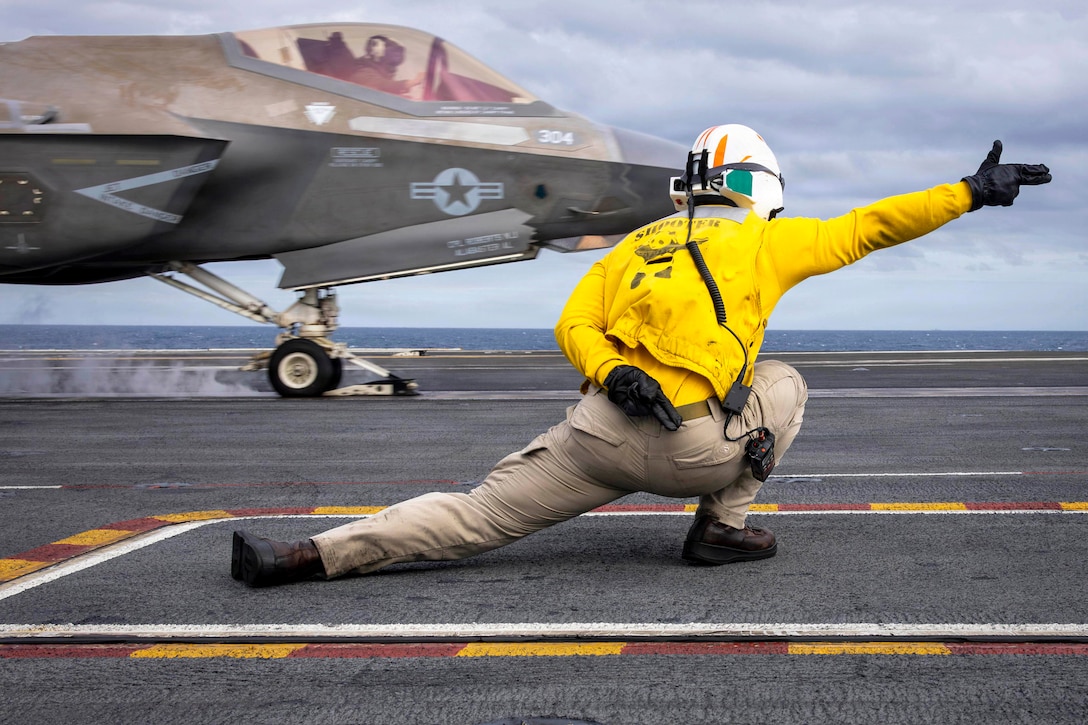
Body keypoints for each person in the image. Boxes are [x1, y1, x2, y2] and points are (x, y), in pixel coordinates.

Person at [231, 125, 1051, 587]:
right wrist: (971, 192)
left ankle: (305, 554)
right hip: (695, 450)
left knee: (474, 514)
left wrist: (609, 369)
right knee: (785, 382)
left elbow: (571, 323)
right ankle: (723, 528)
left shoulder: (632, 246)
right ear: (758, 187)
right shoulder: (766, 240)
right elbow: (873, 224)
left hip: (596, 436)